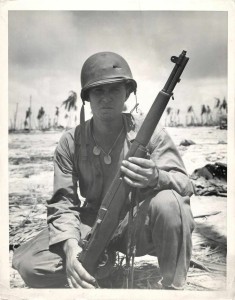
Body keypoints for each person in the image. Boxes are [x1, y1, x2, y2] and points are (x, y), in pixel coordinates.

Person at [13, 51, 195, 289]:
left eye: (114, 89)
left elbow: (185, 184)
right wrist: (70, 247)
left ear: (127, 93)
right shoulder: (71, 141)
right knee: (31, 266)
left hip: (134, 223)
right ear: (87, 97)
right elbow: (63, 203)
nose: (106, 98)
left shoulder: (150, 134)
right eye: (98, 90)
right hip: (89, 225)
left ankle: (174, 288)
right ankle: (103, 267)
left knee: (171, 204)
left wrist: (156, 177)